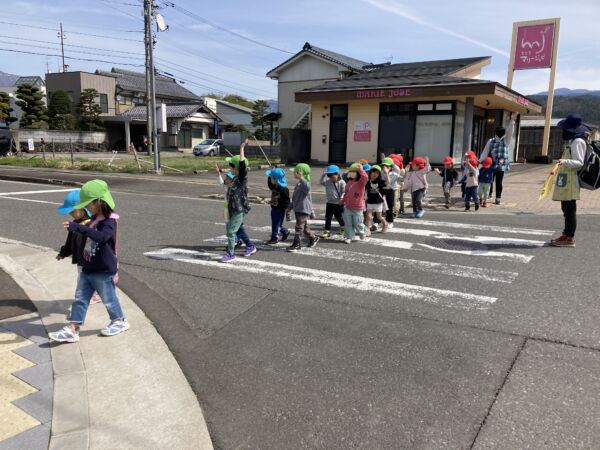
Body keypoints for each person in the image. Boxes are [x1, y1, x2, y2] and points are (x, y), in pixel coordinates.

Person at [49, 180, 128, 343]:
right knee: (80, 298)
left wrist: (79, 227)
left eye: (88, 204)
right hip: (88, 267)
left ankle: (120, 321)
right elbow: (78, 239)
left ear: (99, 201)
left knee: (109, 299)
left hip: (103, 269)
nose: (87, 207)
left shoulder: (109, 221)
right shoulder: (94, 219)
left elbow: (102, 237)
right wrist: (65, 251)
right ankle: (73, 329)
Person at [56, 190, 104, 311]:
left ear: (84, 209)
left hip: (89, 259)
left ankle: (83, 302)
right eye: (70, 212)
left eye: (73, 211)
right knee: (86, 279)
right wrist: (63, 252)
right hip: (80, 259)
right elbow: (69, 241)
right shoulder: (74, 224)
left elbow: (100, 240)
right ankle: (95, 294)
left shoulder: (92, 225)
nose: (71, 214)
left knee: (83, 282)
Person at [550, 114, 590, 247]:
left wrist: (564, 161)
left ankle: (569, 238)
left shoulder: (578, 141)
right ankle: (566, 235)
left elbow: (579, 162)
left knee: (569, 210)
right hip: (567, 179)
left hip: (571, 182)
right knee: (566, 209)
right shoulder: (573, 140)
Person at [220, 139, 257, 262]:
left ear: (235, 167)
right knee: (239, 229)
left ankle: (230, 254)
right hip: (233, 209)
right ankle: (251, 246)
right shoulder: (235, 179)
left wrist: (241, 148)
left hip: (238, 209)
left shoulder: (241, 179)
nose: (229, 168)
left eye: (230, 166)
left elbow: (242, 166)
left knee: (231, 232)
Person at [479, 114, 515, 204]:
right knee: (490, 180)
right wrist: (480, 160)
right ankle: (489, 194)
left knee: (499, 181)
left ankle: (498, 197)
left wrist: (512, 121)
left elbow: (510, 132)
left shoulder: (505, 141)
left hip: (501, 165)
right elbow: (485, 151)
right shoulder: (491, 141)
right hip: (492, 164)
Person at [287, 163, 319, 252]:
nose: (293, 173)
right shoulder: (299, 184)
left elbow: (307, 187)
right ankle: (313, 237)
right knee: (304, 229)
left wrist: (301, 177)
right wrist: (290, 207)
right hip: (298, 209)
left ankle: (296, 244)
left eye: (295, 172)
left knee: (298, 227)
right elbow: (295, 198)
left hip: (303, 210)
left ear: (300, 173)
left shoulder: (305, 183)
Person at [342, 163, 369, 243]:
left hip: (358, 207)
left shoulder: (361, 182)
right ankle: (349, 237)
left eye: (354, 172)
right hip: (348, 206)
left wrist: (361, 170)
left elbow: (365, 177)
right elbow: (346, 193)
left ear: (358, 173)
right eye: (351, 172)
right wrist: (343, 200)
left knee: (358, 222)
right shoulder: (349, 182)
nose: (352, 173)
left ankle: (362, 232)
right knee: (348, 223)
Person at [265, 167, 290, 245]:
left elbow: (286, 201)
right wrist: (270, 175)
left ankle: (274, 238)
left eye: (271, 178)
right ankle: (285, 231)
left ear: (276, 179)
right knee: (276, 224)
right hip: (274, 207)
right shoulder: (275, 186)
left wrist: (287, 210)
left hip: (280, 209)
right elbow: (270, 185)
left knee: (276, 224)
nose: (270, 180)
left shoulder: (284, 189)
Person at [319, 165, 345, 238]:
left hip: (338, 203)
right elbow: (321, 182)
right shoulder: (328, 181)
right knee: (328, 217)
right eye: (329, 175)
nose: (330, 178)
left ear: (337, 174)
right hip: (330, 203)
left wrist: (342, 197)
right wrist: (323, 174)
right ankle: (327, 231)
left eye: (332, 176)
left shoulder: (342, 182)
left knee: (339, 217)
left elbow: (344, 191)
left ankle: (343, 227)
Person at [365, 165, 388, 233]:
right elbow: (363, 188)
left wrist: (386, 173)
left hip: (378, 202)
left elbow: (388, 182)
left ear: (379, 174)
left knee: (379, 217)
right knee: (368, 216)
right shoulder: (367, 181)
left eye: (377, 172)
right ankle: (367, 230)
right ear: (370, 173)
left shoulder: (380, 181)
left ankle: (385, 224)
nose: (374, 174)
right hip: (370, 201)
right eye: (373, 172)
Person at [380, 157, 402, 226]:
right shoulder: (380, 173)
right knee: (379, 206)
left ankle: (389, 221)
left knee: (390, 206)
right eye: (383, 166)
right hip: (382, 190)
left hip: (390, 190)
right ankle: (377, 221)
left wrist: (387, 173)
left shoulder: (393, 174)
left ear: (391, 167)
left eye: (387, 166)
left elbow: (388, 182)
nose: (384, 168)